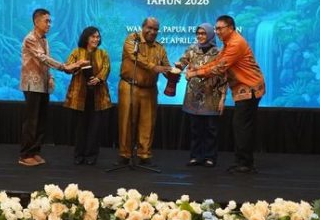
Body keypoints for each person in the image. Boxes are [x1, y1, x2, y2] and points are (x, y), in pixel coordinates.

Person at [185, 15, 265, 174]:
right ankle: (242, 161)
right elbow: (216, 61)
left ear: (231, 28)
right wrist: (197, 69)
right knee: (241, 127)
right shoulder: (228, 43)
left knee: (242, 127)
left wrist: (195, 73)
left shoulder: (236, 43)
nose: (217, 31)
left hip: (249, 88)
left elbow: (219, 68)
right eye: (216, 29)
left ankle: (245, 164)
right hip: (244, 88)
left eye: (220, 28)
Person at [19, 8, 87, 167]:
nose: (49, 24)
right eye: (46, 21)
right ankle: (25, 155)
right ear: (36, 22)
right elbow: (42, 58)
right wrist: (65, 67)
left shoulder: (45, 40)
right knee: (31, 121)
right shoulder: (30, 39)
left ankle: (35, 151)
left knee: (41, 121)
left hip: (43, 85)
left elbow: (46, 62)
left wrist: (51, 77)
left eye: (50, 21)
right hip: (32, 85)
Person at [117, 17, 171, 165]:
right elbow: (137, 58)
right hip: (130, 86)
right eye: (150, 28)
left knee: (148, 123)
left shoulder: (159, 48)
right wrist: (155, 67)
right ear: (143, 27)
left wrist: (173, 73)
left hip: (150, 89)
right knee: (127, 121)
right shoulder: (132, 40)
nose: (152, 32)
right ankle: (125, 154)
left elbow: (166, 66)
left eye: (156, 29)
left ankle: (144, 154)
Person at [177, 23, 227, 168]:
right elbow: (181, 63)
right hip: (193, 96)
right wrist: (175, 68)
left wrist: (223, 98)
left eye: (203, 33)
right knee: (195, 129)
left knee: (211, 129)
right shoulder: (192, 49)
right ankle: (195, 156)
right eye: (198, 33)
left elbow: (224, 77)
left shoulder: (219, 52)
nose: (200, 36)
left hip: (212, 96)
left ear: (210, 34)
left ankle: (210, 157)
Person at [63, 26, 112, 166]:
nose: (96, 39)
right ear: (86, 38)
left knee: (95, 128)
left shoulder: (103, 53)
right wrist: (78, 65)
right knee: (80, 128)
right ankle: (79, 155)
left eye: (98, 37)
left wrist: (99, 78)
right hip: (79, 96)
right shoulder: (77, 52)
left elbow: (106, 68)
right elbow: (67, 68)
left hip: (98, 96)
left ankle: (91, 155)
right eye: (93, 37)